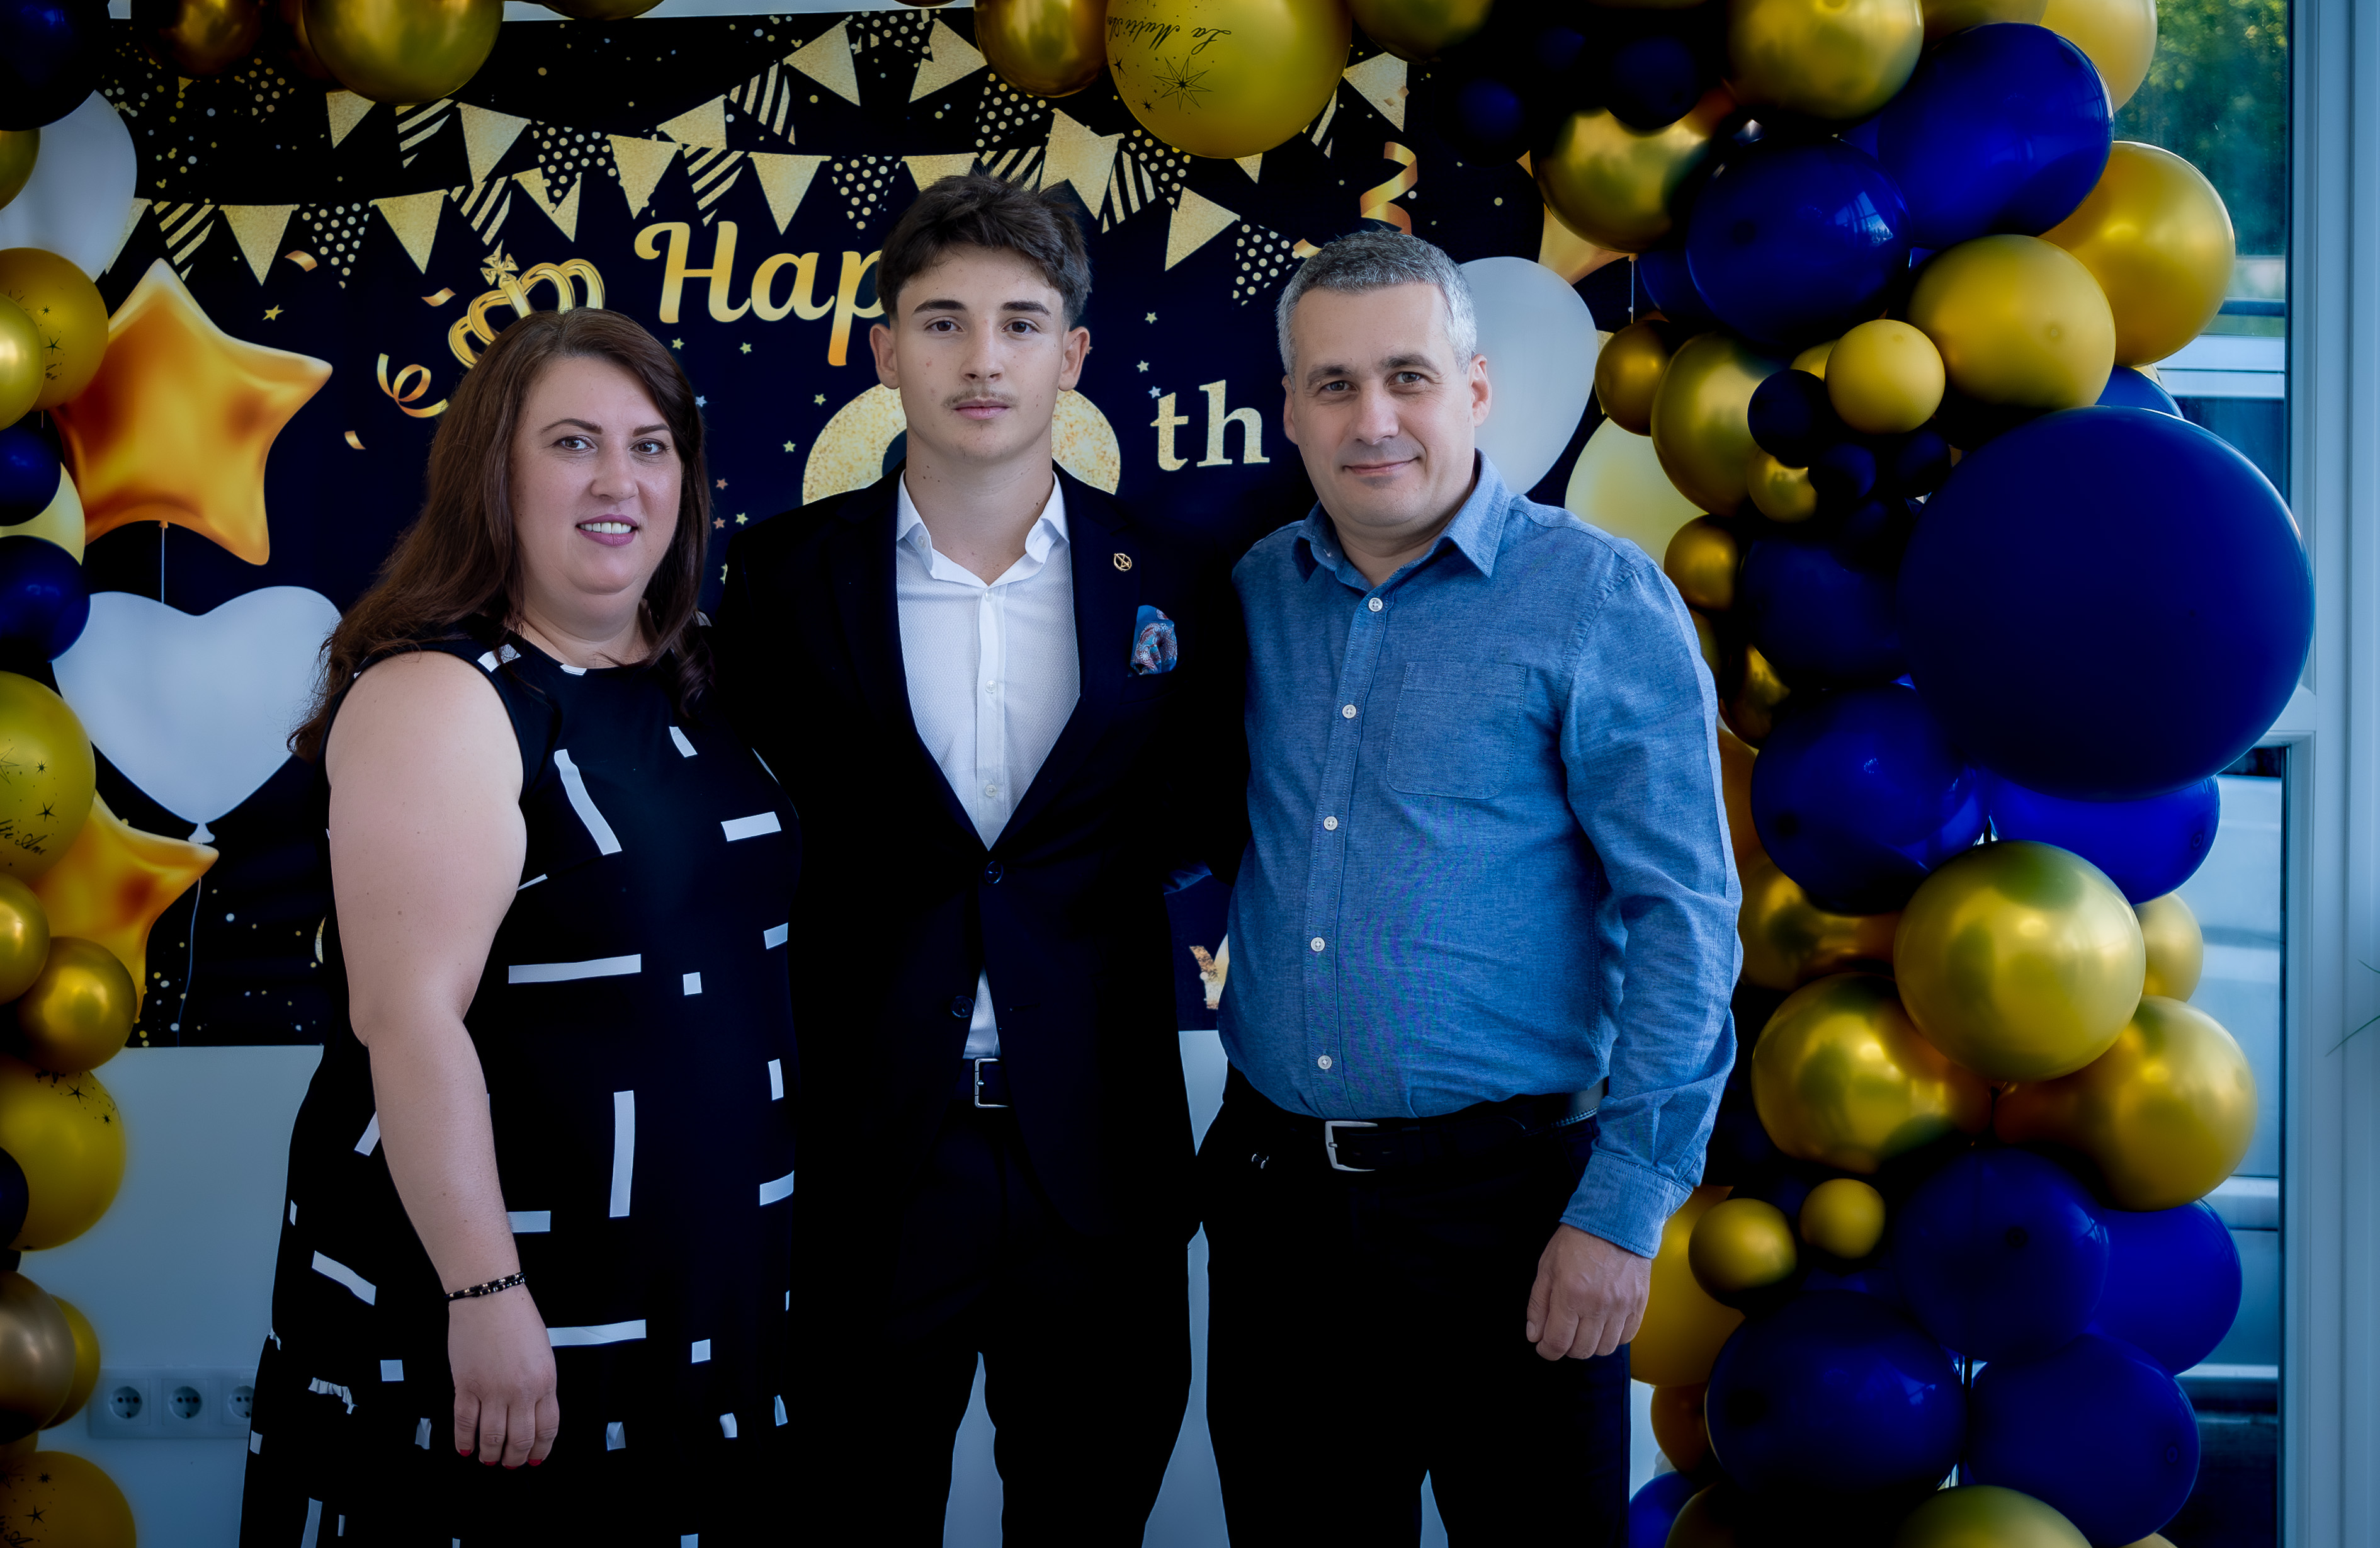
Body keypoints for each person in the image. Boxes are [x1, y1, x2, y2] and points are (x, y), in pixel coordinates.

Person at [712, 172, 1239, 1542]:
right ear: (886, 352)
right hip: (868, 1154)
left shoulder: (1173, 579)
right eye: (941, 321)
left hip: (1099, 1162)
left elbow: (1201, 810)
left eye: (1019, 323)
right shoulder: (779, 578)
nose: (982, 358)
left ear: (1072, 355)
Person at [1204, 229, 1740, 1544]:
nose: (1372, 419)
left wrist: (1620, 1216)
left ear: (1476, 388)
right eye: (1333, 385)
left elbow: (1684, 922)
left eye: (1408, 376)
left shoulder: (1595, 598)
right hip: (1281, 1213)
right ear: (1290, 409)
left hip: (1516, 1217)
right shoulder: (1255, 593)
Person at [241, 308, 797, 1545]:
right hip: (512, 1281)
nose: (618, 481)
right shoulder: (441, 693)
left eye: (650, 447)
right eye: (572, 443)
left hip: (703, 1286)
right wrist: (484, 1288)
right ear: (492, 471)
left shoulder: (701, 679)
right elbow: (408, 1017)